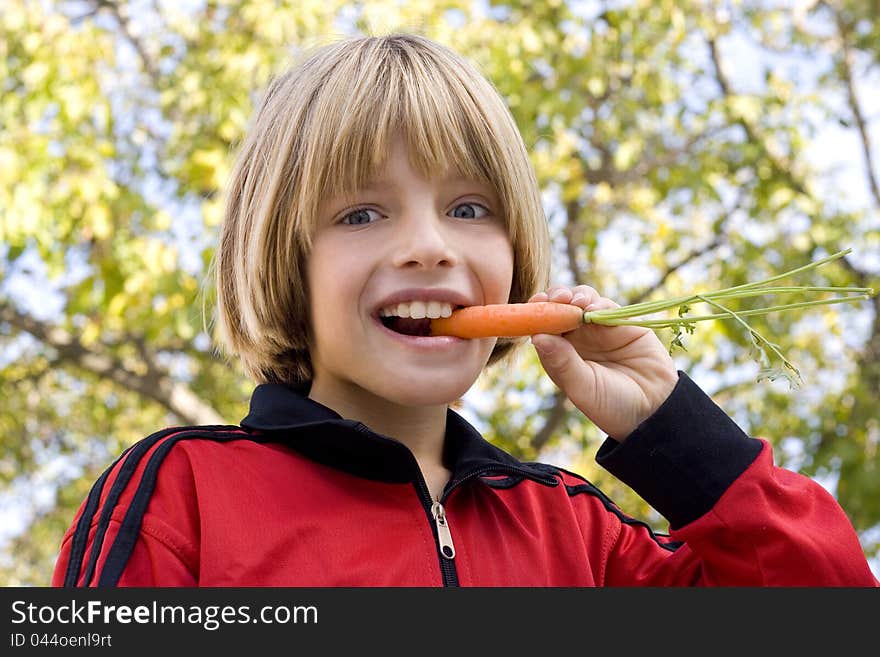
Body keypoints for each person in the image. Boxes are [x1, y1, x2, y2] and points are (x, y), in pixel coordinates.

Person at [52, 33, 877, 587]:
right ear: (285, 263)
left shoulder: (580, 536)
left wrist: (670, 427)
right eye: (361, 214)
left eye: (470, 209)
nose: (429, 246)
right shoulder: (180, 492)